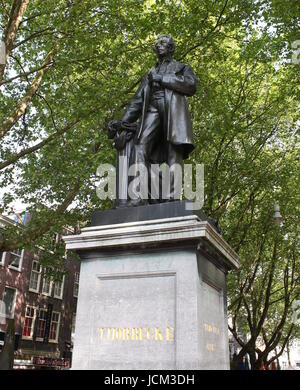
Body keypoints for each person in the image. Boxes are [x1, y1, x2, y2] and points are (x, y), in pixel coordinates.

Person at [121, 34, 198, 206]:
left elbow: (191, 85)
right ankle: (138, 197)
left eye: (163, 43)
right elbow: (137, 100)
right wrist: (123, 122)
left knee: (173, 152)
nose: (158, 45)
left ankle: (172, 197)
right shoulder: (150, 73)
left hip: (173, 109)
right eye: (157, 43)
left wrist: (162, 79)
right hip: (152, 108)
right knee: (140, 146)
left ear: (171, 48)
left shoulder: (182, 67)